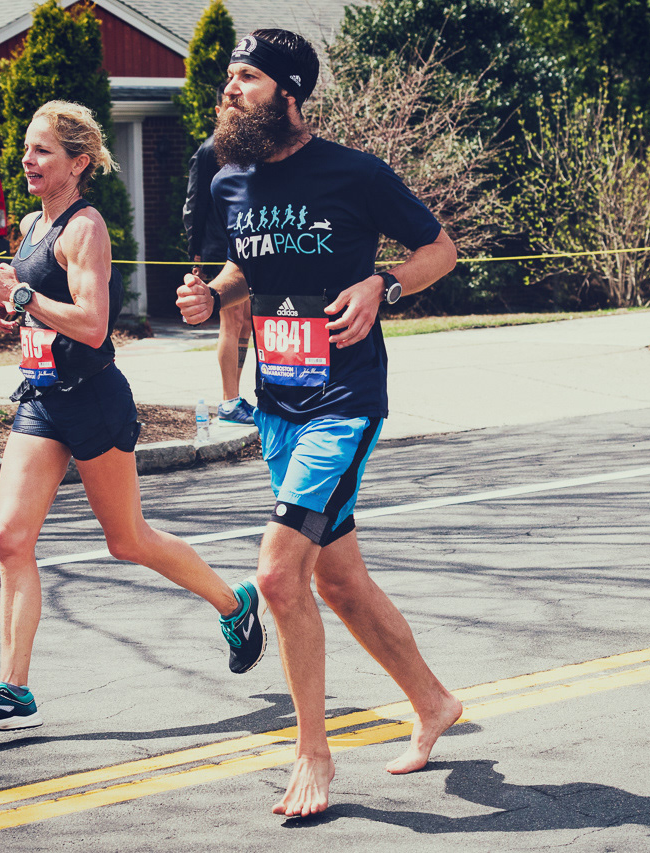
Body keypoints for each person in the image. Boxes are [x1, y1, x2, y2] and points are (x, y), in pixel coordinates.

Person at [177, 29, 463, 817]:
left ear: (290, 93)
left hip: (343, 403)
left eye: (247, 77)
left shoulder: (355, 173)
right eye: (230, 77)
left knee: (278, 575)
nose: (230, 89)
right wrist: (214, 295)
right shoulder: (230, 180)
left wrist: (383, 285)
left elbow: (439, 249)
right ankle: (434, 701)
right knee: (337, 577)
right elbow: (248, 267)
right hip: (279, 401)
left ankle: (313, 753)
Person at [0, 100, 265, 734]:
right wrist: (8, 311)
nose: (28, 160)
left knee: (128, 540)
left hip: (92, 399)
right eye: (27, 149)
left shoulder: (85, 228)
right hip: (42, 397)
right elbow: (41, 308)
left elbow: (92, 326)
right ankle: (13, 691)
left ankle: (234, 603)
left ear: (78, 162)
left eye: (42, 151)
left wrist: (22, 293)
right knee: (9, 539)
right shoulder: (34, 225)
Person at [184, 107, 255, 425]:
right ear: (218, 111)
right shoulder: (209, 149)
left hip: (244, 245)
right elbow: (194, 204)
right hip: (217, 248)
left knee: (246, 322)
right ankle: (228, 401)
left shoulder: (250, 146)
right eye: (230, 104)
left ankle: (235, 397)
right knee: (233, 320)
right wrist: (196, 255)